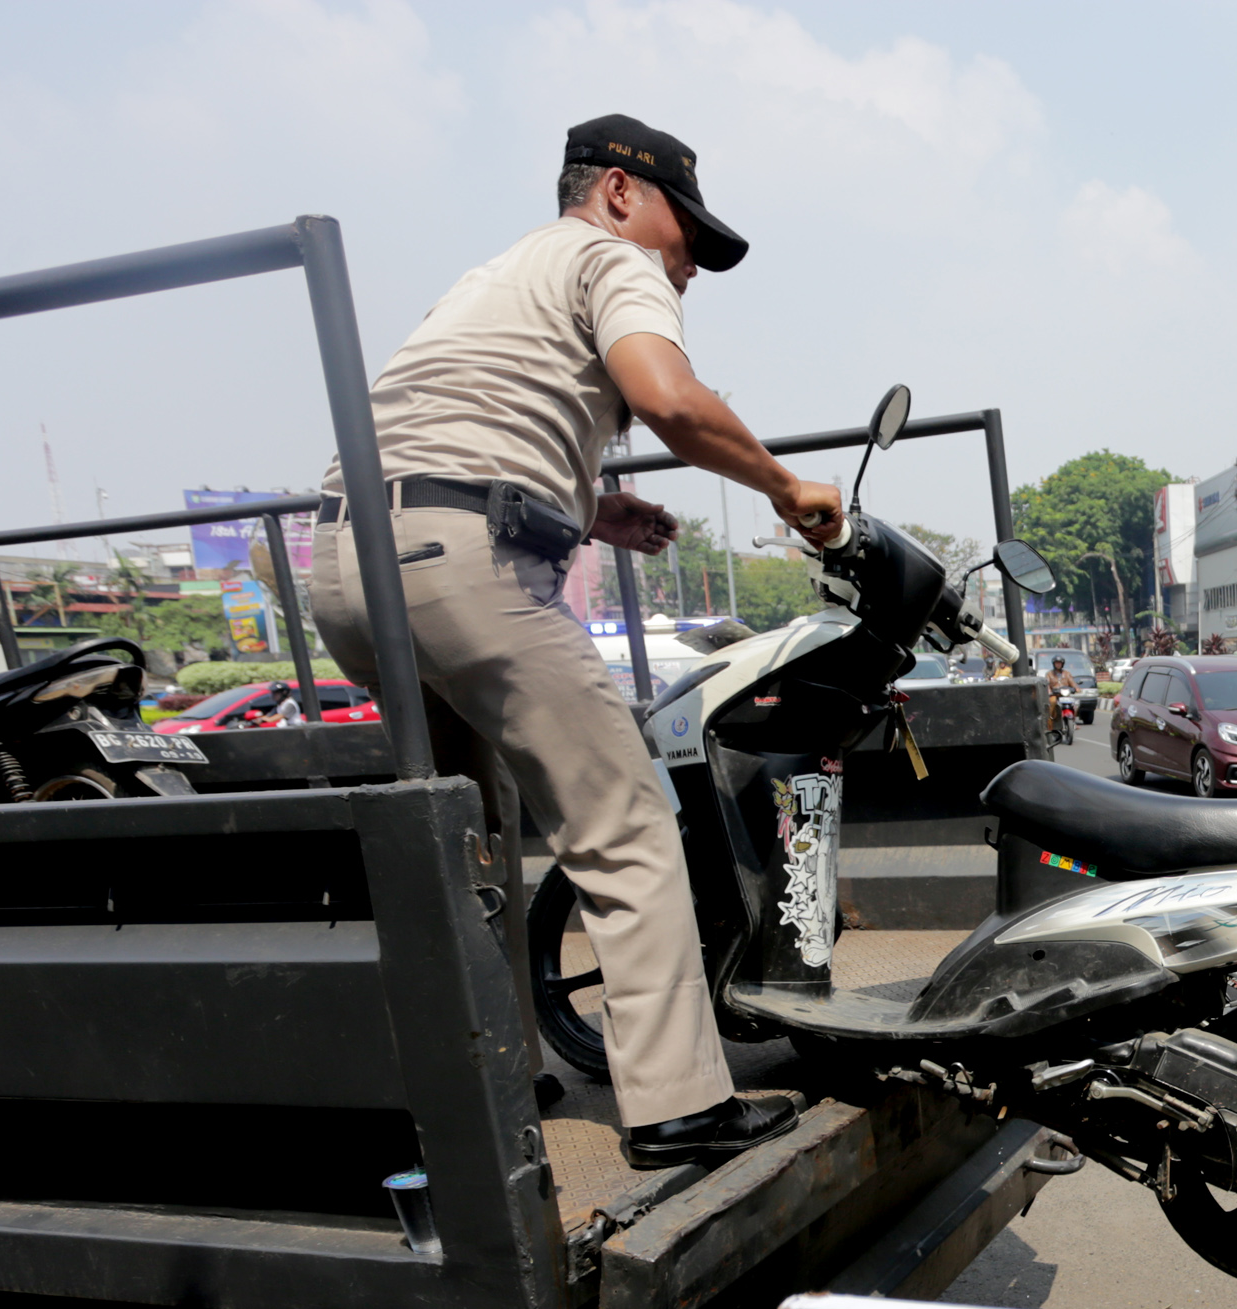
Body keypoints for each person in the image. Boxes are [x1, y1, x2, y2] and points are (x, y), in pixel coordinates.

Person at [307, 114, 844, 1170]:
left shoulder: (487, 279)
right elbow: (668, 398)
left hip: (349, 565)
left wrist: (596, 513)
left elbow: (450, 437)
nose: (683, 266)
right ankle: (678, 1105)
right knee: (627, 821)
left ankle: (493, 1067)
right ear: (614, 193)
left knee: (472, 840)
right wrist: (788, 488)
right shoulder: (612, 257)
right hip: (467, 572)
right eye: (681, 234)